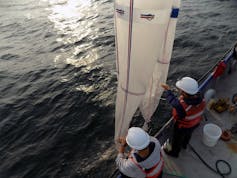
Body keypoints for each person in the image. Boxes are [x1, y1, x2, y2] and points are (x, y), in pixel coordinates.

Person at [161, 77, 206, 158]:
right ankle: (184, 145)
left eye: (181, 90)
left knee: (176, 140)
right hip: (195, 123)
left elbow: (173, 102)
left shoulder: (182, 106)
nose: (179, 91)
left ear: (184, 93)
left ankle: (174, 153)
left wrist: (168, 91)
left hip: (183, 127)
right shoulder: (201, 97)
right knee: (188, 135)